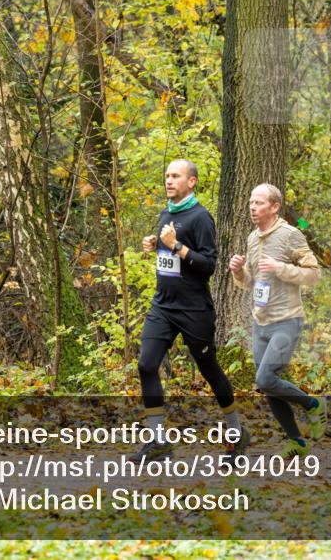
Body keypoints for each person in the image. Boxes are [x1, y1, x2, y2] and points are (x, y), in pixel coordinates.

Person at [136, 159, 249, 462]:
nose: (169, 180)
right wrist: (154, 245)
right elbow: (168, 259)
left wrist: (175, 247)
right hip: (163, 305)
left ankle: (237, 432)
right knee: (146, 365)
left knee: (208, 368)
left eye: (176, 176)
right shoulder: (165, 213)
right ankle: (159, 441)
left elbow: (209, 266)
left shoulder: (201, 218)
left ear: (192, 182)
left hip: (194, 309)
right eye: (167, 175)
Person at [229, 184, 325, 458]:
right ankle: (296, 441)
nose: (252, 207)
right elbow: (250, 283)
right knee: (268, 385)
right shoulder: (251, 238)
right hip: (261, 322)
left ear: (274, 207)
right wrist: (238, 271)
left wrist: (281, 268)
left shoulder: (291, 235)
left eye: (258, 203)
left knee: (266, 377)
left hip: (287, 319)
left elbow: (314, 275)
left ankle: (313, 404)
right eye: (251, 202)